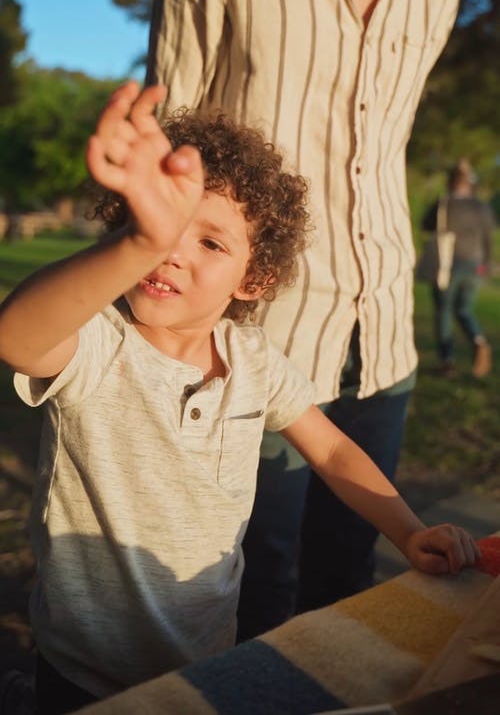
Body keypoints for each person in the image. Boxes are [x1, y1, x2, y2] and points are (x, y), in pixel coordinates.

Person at [0, 82, 479, 713]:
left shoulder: (254, 361)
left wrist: (409, 531)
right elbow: (16, 336)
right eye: (159, 227)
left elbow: (331, 450)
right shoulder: (98, 340)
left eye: (210, 241)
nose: (171, 250)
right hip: (83, 673)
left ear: (255, 277)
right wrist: (137, 244)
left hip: (206, 657)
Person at [145, 0, 499, 636]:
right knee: (249, 583)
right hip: (253, 338)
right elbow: (172, 151)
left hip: (381, 343)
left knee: (351, 586)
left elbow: (381, 150)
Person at [422, 159, 495, 379]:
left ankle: (447, 362)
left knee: (444, 311)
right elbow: (487, 239)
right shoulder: (481, 206)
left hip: (448, 265)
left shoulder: (444, 203)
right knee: (464, 309)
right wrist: (486, 265)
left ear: (450, 182)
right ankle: (478, 340)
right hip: (475, 265)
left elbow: (425, 224)